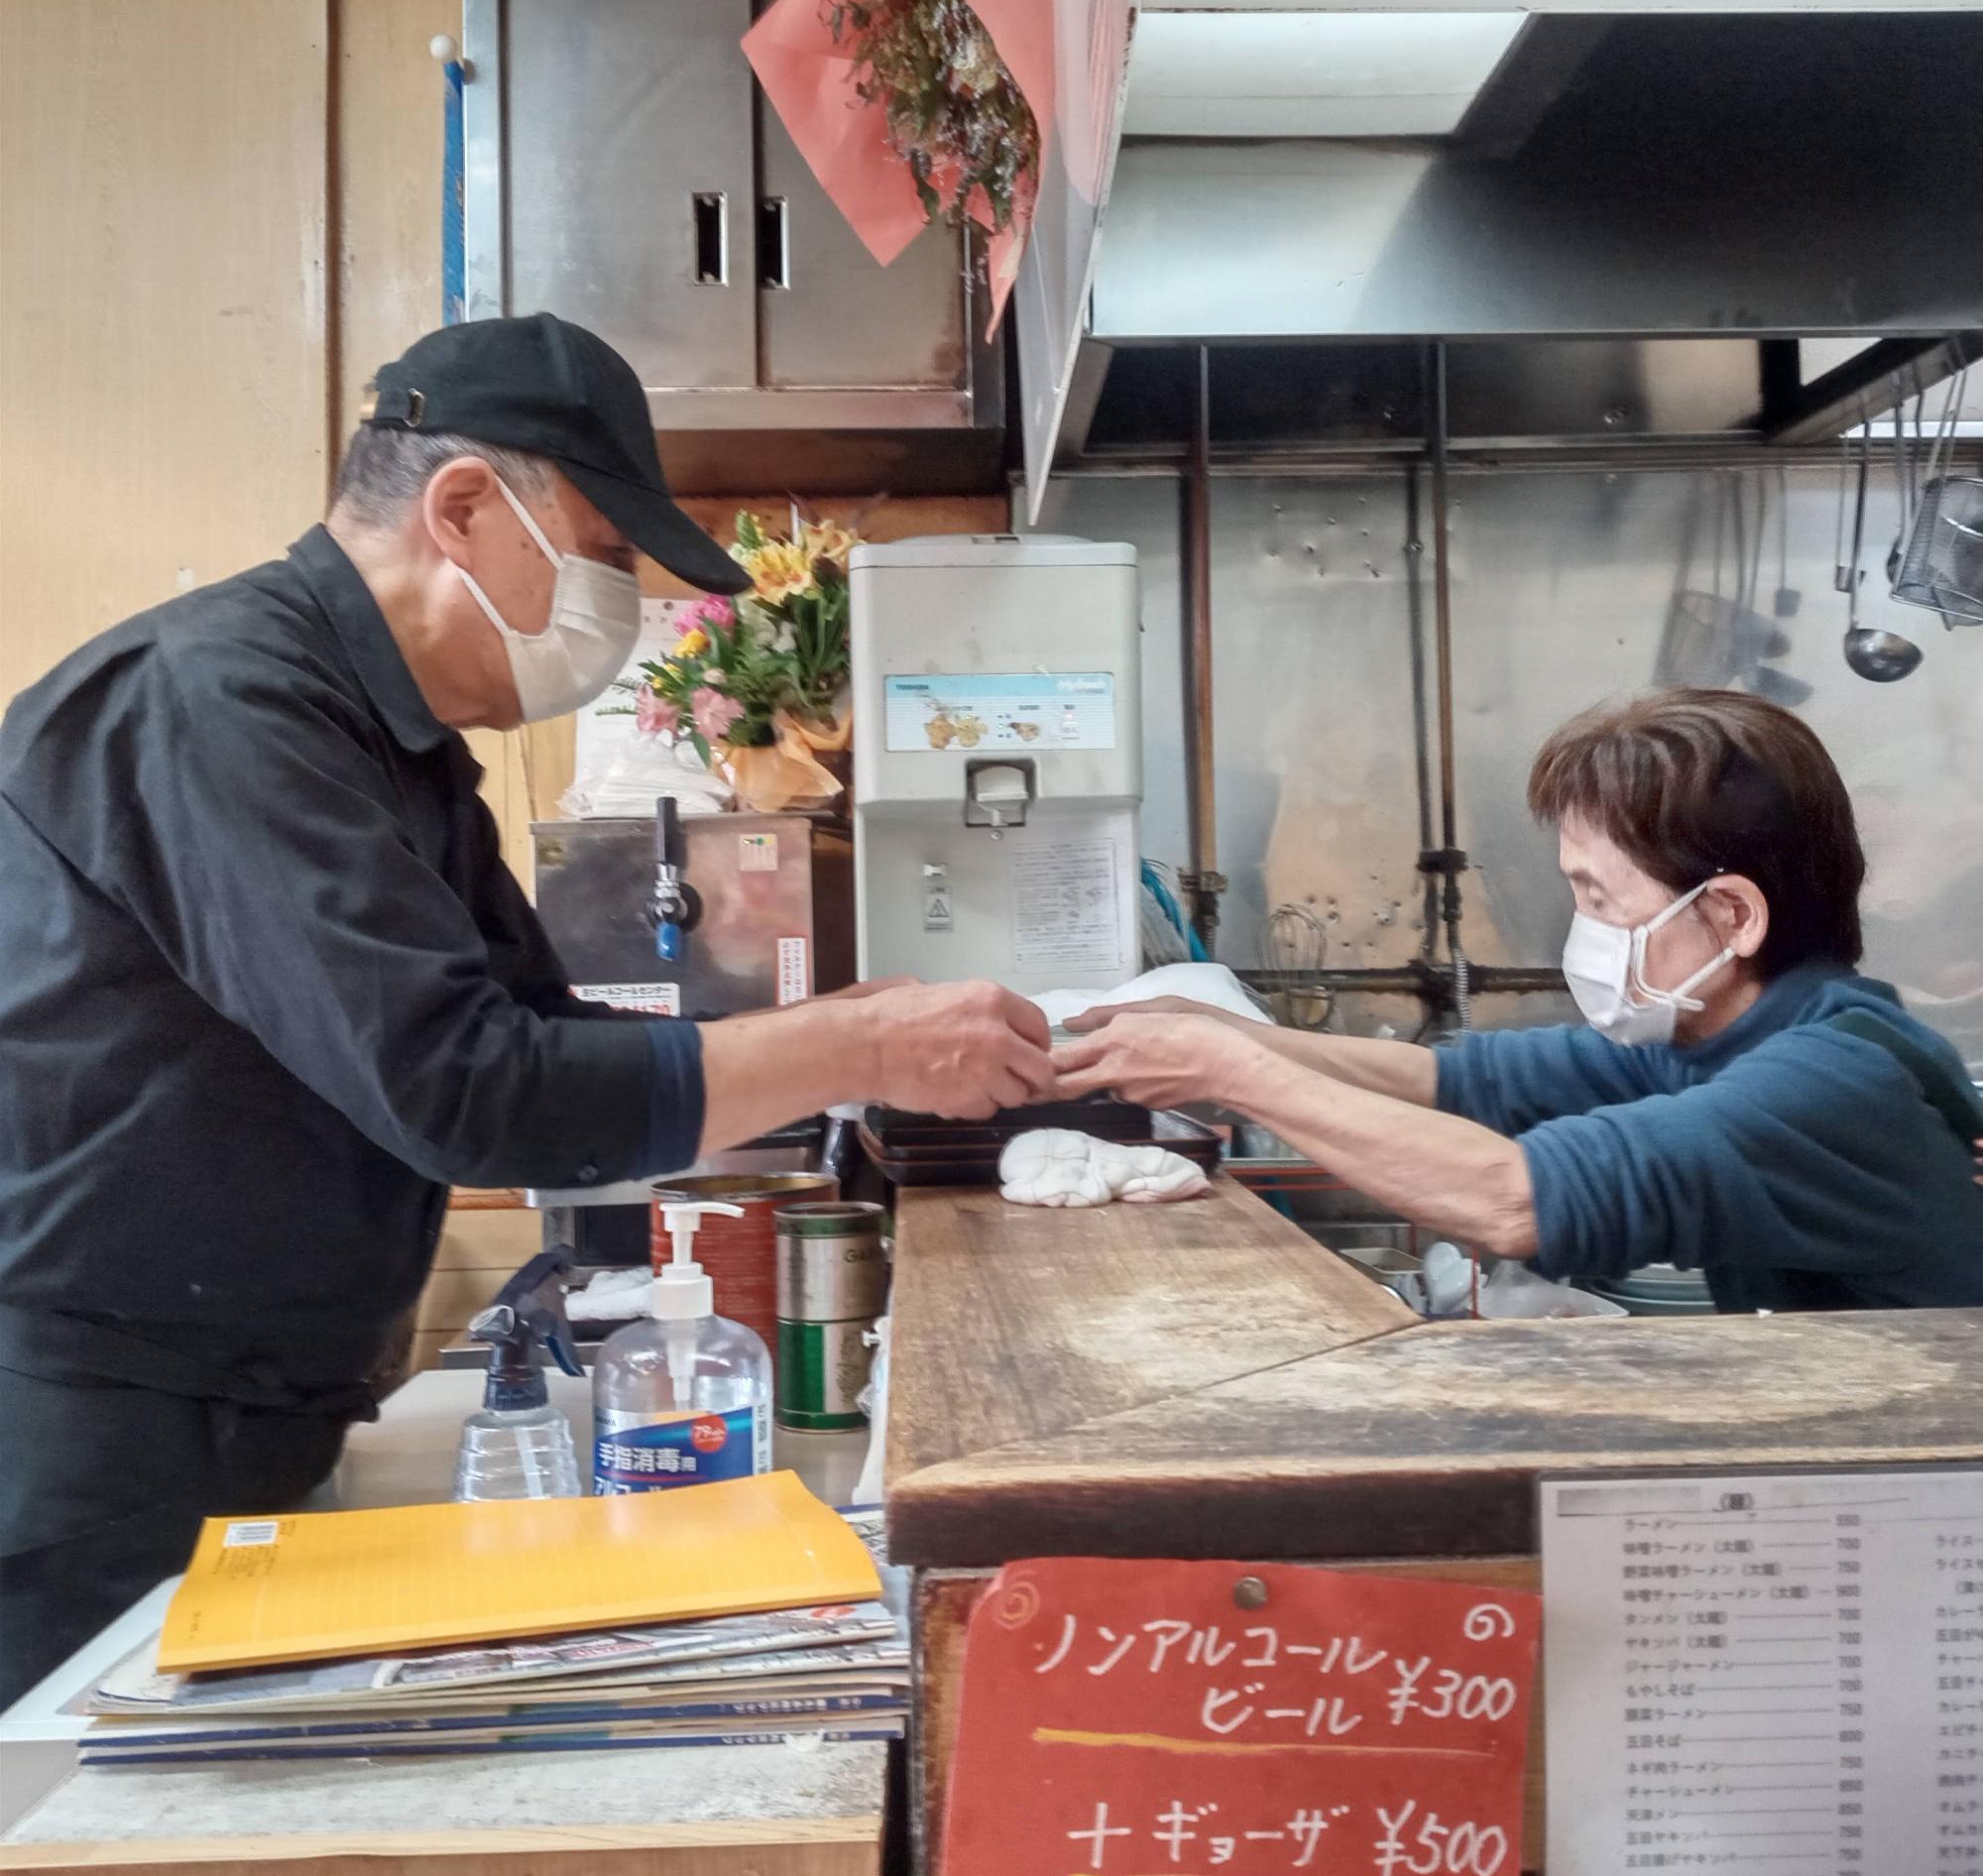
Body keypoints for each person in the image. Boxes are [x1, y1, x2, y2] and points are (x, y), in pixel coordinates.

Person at [0, 314, 1053, 1705]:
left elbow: (541, 1034)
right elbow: (466, 1090)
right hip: (94, 1439)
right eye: (609, 558)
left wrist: (854, 1040)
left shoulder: (404, 749)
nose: (620, 608)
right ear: (462, 508)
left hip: (241, 1408)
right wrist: (852, 1045)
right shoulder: (224, 706)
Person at [1057, 689, 1983, 1311]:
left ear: (1732, 914)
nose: (1580, 925)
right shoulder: (1720, 1035)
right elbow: (1466, 1081)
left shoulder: (1831, 1082)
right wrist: (1215, 1028)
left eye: (1598, 896)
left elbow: (1516, 1201)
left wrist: (1235, 1071)